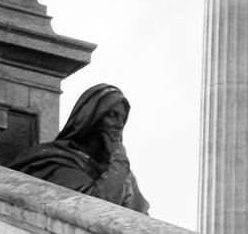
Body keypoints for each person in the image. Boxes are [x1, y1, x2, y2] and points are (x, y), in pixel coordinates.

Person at [13, 82, 148, 210]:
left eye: (122, 118)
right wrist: (119, 157)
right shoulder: (57, 160)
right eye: (112, 115)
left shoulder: (123, 173)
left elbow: (143, 223)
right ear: (91, 117)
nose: (119, 124)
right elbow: (99, 207)